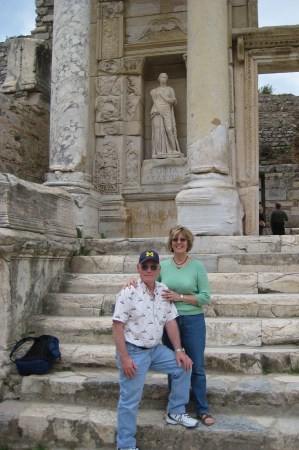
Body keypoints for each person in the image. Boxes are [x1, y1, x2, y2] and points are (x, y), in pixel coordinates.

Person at [125, 226, 215, 427]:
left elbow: (205, 297)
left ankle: (202, 409)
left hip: (193, 320)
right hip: (169, 322)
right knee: (175, 364)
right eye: (175, 239)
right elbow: (148, 283)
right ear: (171, 242)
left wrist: (179, 297)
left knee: (197, 366)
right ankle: (175, 408)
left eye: (183, 239)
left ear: (188, 242)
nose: (179, 242)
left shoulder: (197, 266)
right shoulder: (162, 266)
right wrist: (133, 281)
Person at [113, 250, 198, 450]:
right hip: (133, 351)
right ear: (138, 268)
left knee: (184, 366)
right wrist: (124, 358)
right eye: (145, 266)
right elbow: (117, 326)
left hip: (155, 349)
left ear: (158, 269)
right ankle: (125, 445)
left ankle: (175, 411)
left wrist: (178, 350)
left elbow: (170, 321)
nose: (149, 270)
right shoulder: (128, 292)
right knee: (130, 400)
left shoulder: (163, 290)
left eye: (153, 266)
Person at [150, 73, 182, 159]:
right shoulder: (154, 91)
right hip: (157, 110)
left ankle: (173, 149)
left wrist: (168, 99)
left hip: (167, 110)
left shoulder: (170, 89)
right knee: (158, 131)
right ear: (158, 79)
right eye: (161, 77)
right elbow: (155, 101)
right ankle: (159, 151)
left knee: (169, 129)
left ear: (167, 79)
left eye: (164, 77)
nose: (163, 78)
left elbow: (174, 101)